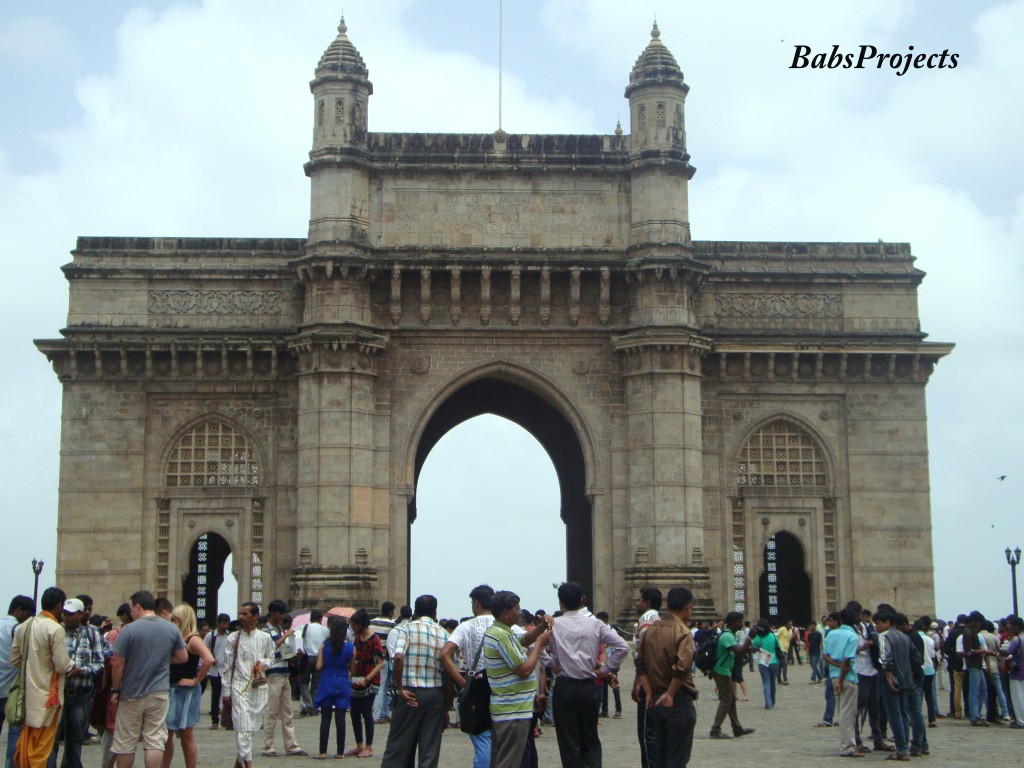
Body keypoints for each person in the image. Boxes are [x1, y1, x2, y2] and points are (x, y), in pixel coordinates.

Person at [547, 581, 629, 768]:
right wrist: (604, 670)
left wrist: (552, 664)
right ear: (582, 600)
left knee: (569, 743)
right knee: (590, 740)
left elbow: (534, 647)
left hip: (565, 687)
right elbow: (623, 647)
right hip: (588, 686)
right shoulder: (596, 624)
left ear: (561, 603)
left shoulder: (554, 625)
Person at [108, 590, 188, 768]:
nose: (130, 613)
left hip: (131, 693)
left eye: (131, 608)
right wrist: (161, 658)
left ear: (138, 606)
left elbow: (118, 664)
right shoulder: (171, 628)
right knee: (154, 741)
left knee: (126, 743)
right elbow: (183, 657)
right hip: (159, 692)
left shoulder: (129, 630)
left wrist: (115, 690)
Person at [482, 591, 550, 768]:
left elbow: (524, 640)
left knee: (502, 760)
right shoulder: (502, 636)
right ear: (505, 612)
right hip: (513, 711)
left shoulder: (501, 631)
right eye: (516, 609)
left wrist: (541, 628)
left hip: (507, 708)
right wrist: (540, 645)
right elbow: (524, 670)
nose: (519, 612)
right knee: (509, 762)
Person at [379, 595, 448, 768]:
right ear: (435, 613)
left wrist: (400, 687)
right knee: (429, 749)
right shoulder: (444, 633)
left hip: (410, 693)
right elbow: (448, 671)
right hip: (435, 693)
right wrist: (446, 707)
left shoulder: (406, 629)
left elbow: (399, 657)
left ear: (415, 611)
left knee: (399, 744)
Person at [9, 589, 75, 768]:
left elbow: (14, 659)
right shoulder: (55, 629)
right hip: (48, 697)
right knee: (40, 748)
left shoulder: (24, 626)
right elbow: (62, 665)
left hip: (26, 695)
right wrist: (74, 665)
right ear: (59, 605)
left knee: (27, 742)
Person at [635, 587, 697, 768]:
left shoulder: (651, 630)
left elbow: (640, 662)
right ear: (688, 607)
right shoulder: (683, 632)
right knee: (677, 759)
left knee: (660, 756)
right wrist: (670, 693)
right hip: (677, 700)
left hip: (655, 700)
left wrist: (648, 692)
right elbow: (683, 667)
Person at [439, 585, 495, 768]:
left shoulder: (466, 626)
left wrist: (464, 683)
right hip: (502, 686)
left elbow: (445, 654)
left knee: (481, 737)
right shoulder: (505, 625)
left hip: (477, 684)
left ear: (477, 604)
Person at [49, 598, 105, 768]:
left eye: (71, 614)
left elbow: (99, 663)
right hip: (58, 694)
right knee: (52, 740)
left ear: (81, 614)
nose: (66, 618)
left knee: (74, 741)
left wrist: (82, 670)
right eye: (65, 614)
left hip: (80, 694)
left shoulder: (92, 633)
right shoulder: (56, 631)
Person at [223, 603, 275, 768]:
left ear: (255, 616)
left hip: (258, 687)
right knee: (244, 727)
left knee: (248, 728)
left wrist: (262, 663)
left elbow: (272, 658)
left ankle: (239, 762)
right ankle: (248, 764)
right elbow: (227, 666)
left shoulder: (265, 638)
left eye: (245, 614)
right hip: (238, 686)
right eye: (240, 613)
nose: (241, 617)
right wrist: (226, 691)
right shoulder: (233, 638)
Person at [161, 604, 214, 768]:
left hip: (185, 691)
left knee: (186, 734)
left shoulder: (193, 639)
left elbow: (209, 659)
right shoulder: (177, 637)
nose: (172, 622)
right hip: (172, 688)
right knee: (166, 734)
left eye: (174, 619)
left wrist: (196, 680)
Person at [260, 601, 304, 757]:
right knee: (272, 711)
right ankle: (268, 746)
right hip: (273, 674)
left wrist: (293, 655)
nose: (282, 616)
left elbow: (282, 652)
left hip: (284, 673)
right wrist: (284, 637)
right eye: (279, 613)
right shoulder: (265, 631)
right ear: (272, 612)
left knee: (288, 712)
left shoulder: (278, 629)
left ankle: (291, 745)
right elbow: (268, 650)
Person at [708, 611, 755, 739]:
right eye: (739, 622)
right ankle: (715, 729)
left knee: (731, 699)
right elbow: (738, 651)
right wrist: (749, 638)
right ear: (733, 622)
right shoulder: (727, 636)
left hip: (724, 670)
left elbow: (737, 650)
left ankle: (737, 727)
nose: (741, 624)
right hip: (721, 671)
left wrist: (750, 648)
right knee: (726, 700)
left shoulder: (730, 635)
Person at [344, 609, 384, 758]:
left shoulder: (374, 639)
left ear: (360, 624)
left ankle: (369, 746)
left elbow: (380, 663)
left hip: (371, 680)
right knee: (354, 712)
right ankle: (359, 744)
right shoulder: (357, 638)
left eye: (353, 625)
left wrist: (367, 679)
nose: (352, 628)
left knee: (366, 712)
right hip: (357, 678)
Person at [822, 605, 859, 757]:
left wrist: (836, 670)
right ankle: (847, 747)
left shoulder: (830, 634)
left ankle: (848, 745)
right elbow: (848, 660)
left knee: (843, 711)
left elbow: (825, 656)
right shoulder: (852, 636)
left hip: (834, 675)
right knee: (848, 713)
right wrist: (842, 674)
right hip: (847, 677)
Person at [630, 587, 661, 768]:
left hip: (648, 683)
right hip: (660, 681)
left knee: (646, 733)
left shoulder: (646, 620)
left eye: (639, 600)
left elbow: (643, 654)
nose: (636, 603)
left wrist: (638, 682)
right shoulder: (660, 619)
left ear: (647, 603)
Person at [314, 617, 353, 759]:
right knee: (341, 719)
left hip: (326, 682)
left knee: (325, 718)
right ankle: (340, 752)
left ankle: (322, 752)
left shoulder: (324, 646)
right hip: (342, 683)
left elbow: (318, 666)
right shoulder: (350, 648)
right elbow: (352, 669)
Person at [0, 596, 36, 741]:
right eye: (28, 616)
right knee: (15, 732)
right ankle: (11, 764)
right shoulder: (17, 629)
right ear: (19, 611)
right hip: (12, 690)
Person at [368, 603, 396, 725]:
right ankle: (377, 715)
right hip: (383, 658)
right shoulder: (392, 625)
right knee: (382, 687)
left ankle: (382, 713)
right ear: (390, 612)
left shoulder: (371, 623)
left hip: (370, 658)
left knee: (372, 686)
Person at [298, 612, 328, 718]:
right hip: (320, 658)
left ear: (310, 619)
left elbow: (294, 632)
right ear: (321, 619)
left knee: (303, 682)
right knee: (316, 683)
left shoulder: (305, 627)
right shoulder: (325, 630)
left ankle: (308, 704)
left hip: (308, 657)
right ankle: (315, 706)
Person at [204, 614, 230, 730]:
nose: (225, 626)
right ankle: (215, 720)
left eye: (227, 623)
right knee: (215, 696)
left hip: (227, 670)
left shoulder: (231, 636)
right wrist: (210, 658)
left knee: (228, 696)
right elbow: (204, 650)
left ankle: (228, 719)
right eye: (223, 623)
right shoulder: (211, 636)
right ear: (218, 623)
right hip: (215, 670)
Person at [749, 620, 780, 709]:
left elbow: (754, 647)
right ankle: (773, 701)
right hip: (774, 661)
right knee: (772, 683)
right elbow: (778, 647)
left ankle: (768, 703)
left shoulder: (758, 637)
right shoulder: (773, 636)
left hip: (763, 660)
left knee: (766, 683)